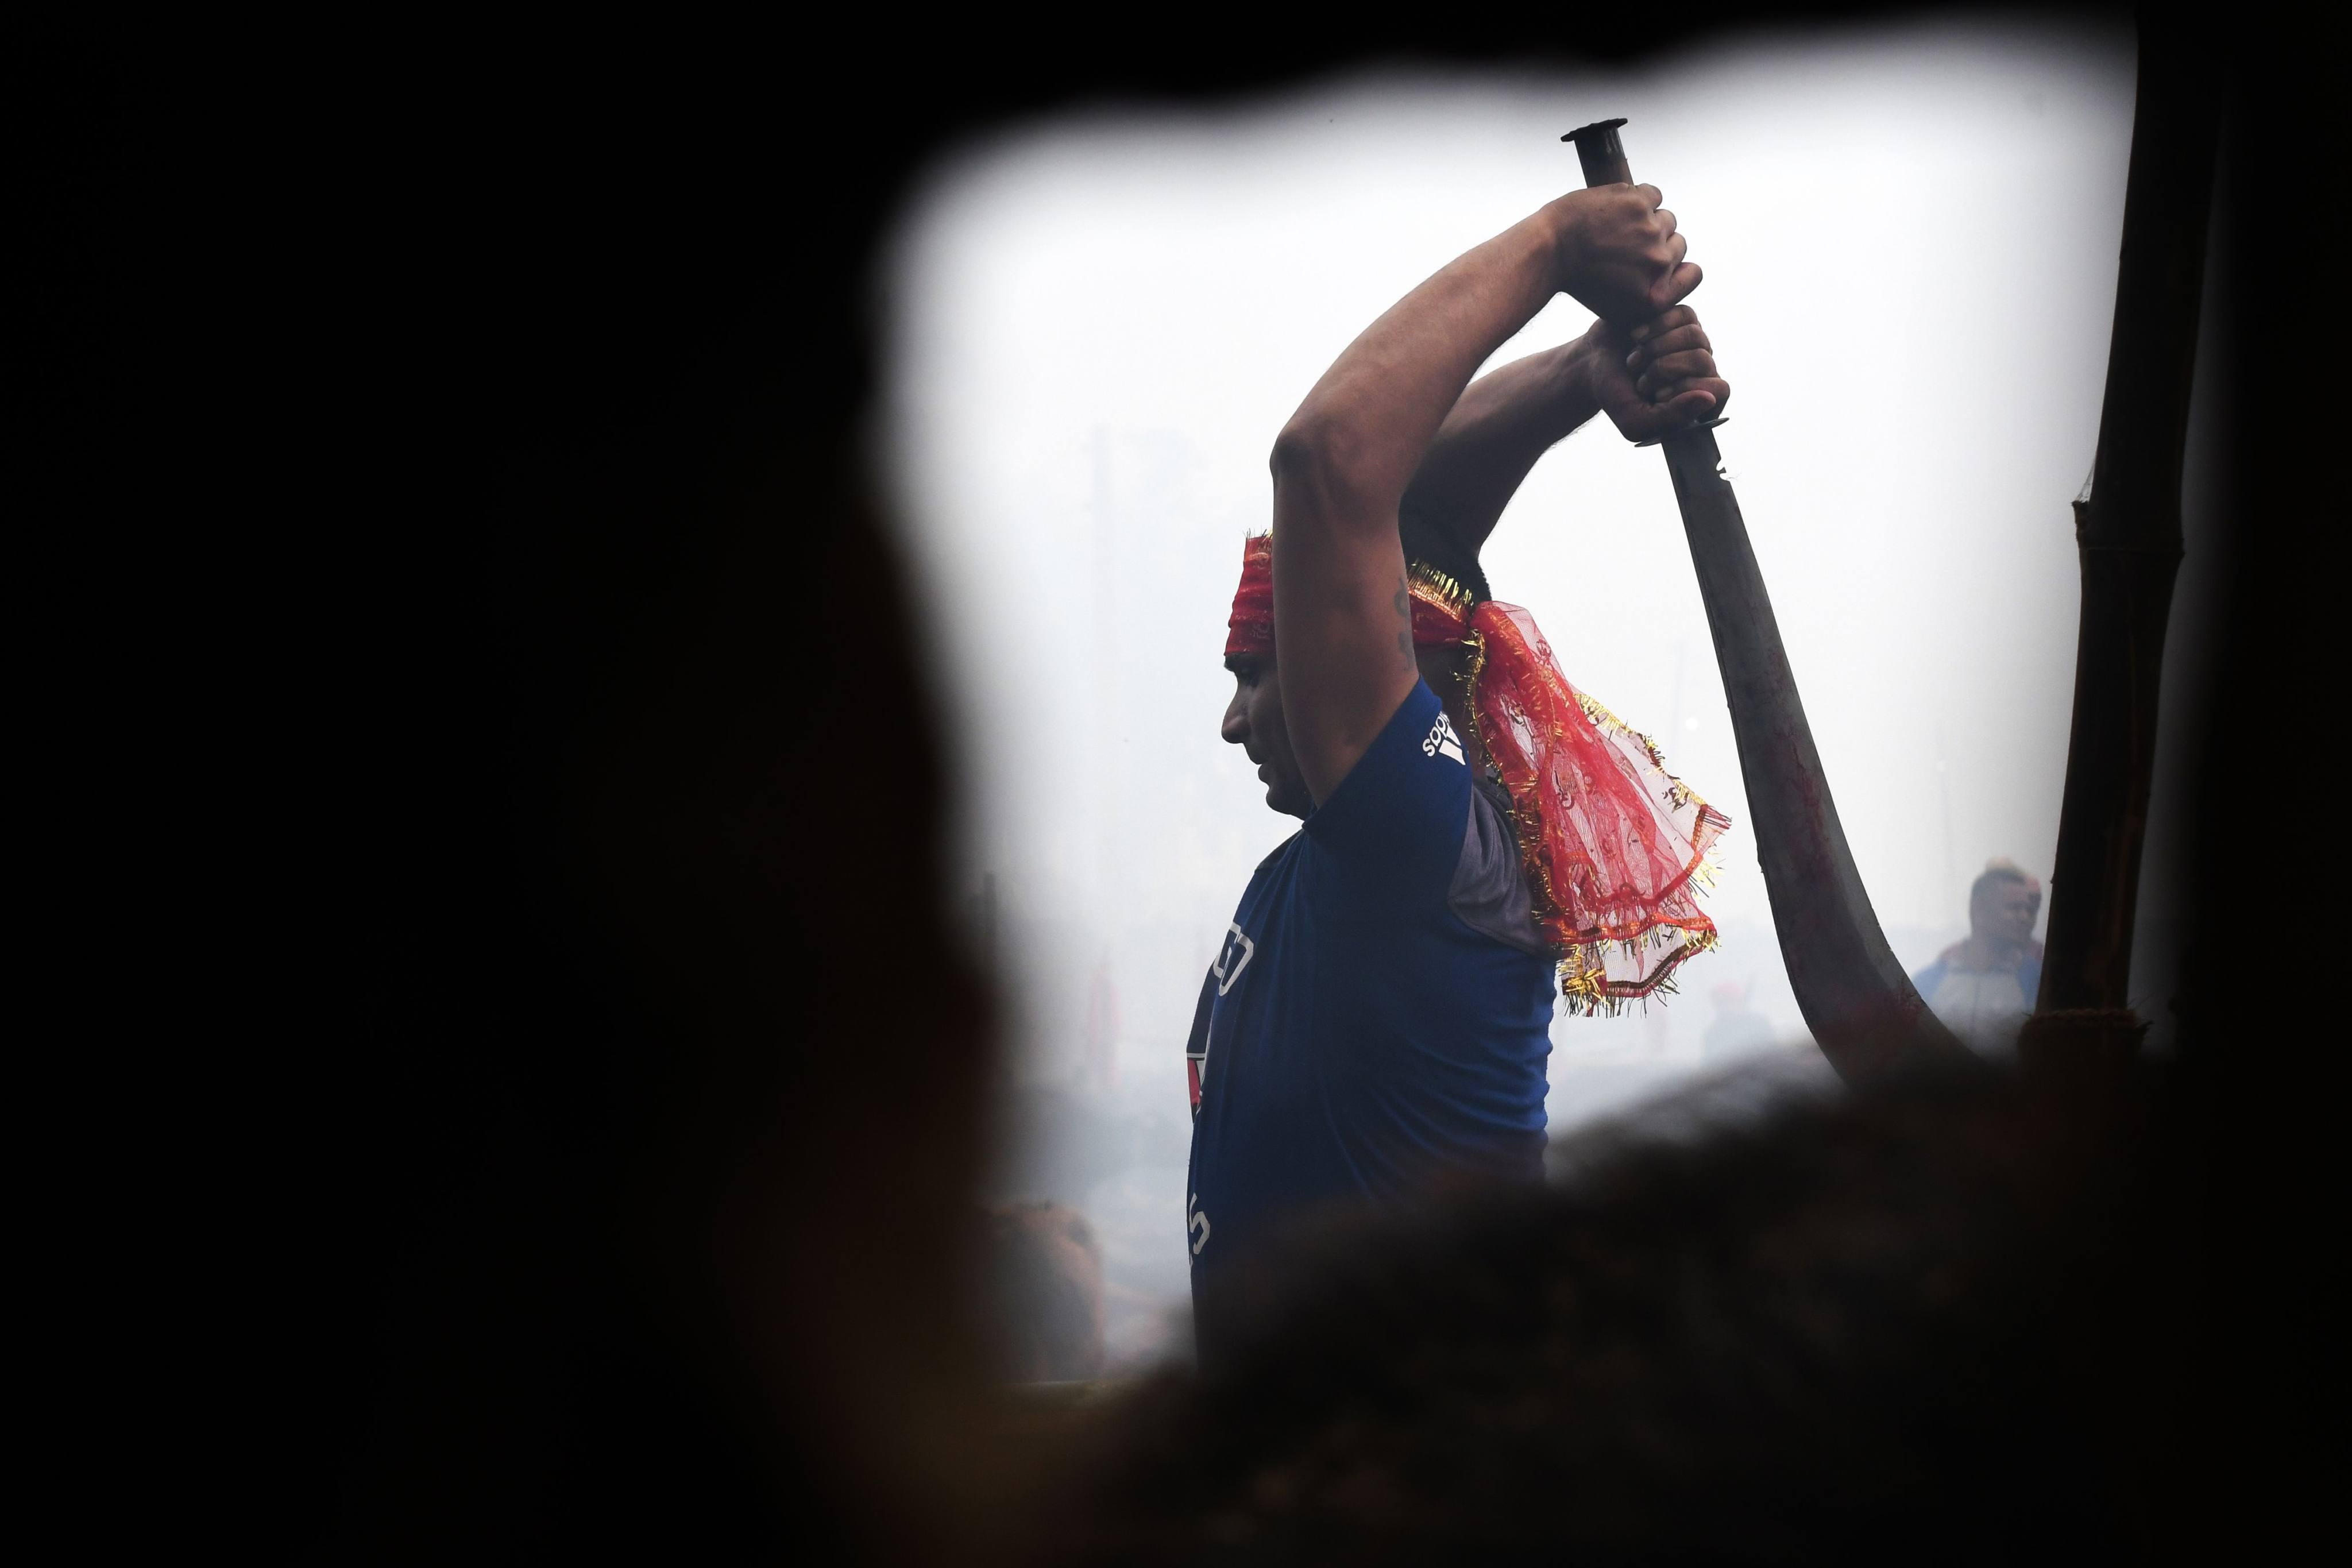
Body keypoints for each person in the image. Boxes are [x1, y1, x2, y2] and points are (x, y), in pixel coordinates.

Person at [1183, 180, 1732, 1355]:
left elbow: (1330, 465)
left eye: (1253, 673)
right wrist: (1579, 376)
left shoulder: (1417, 841)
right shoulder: (1402, 832)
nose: (1235, 722)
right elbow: (1415, 516)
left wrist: (1552, 245)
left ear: (1390, 676)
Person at [1911, 858, 2045, 1055]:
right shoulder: (1928, 982)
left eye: (2030, 910)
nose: (2025, 917)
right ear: (1979, 910)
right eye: (2014, 908)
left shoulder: (2038, 981)